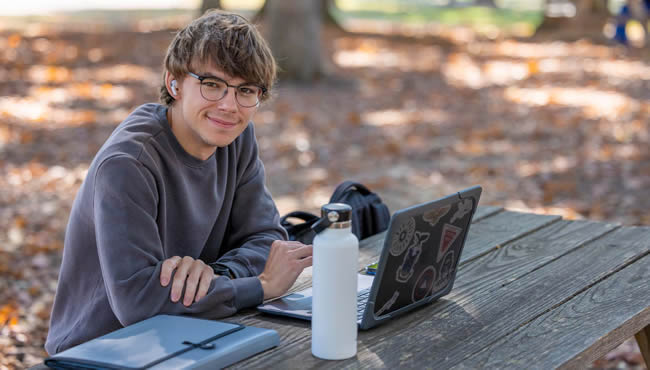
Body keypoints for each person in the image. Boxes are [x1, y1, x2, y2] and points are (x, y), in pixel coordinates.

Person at [45, 10, 313, 355]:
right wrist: (259, 287)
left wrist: (215, 275)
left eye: (246, 90)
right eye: (212, 84)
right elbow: (137, 303)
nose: (229, 106)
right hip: (102, 349)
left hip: (189, 333)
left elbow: (267, 237)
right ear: (175, 83)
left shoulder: (236, 138)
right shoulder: (128, 164)